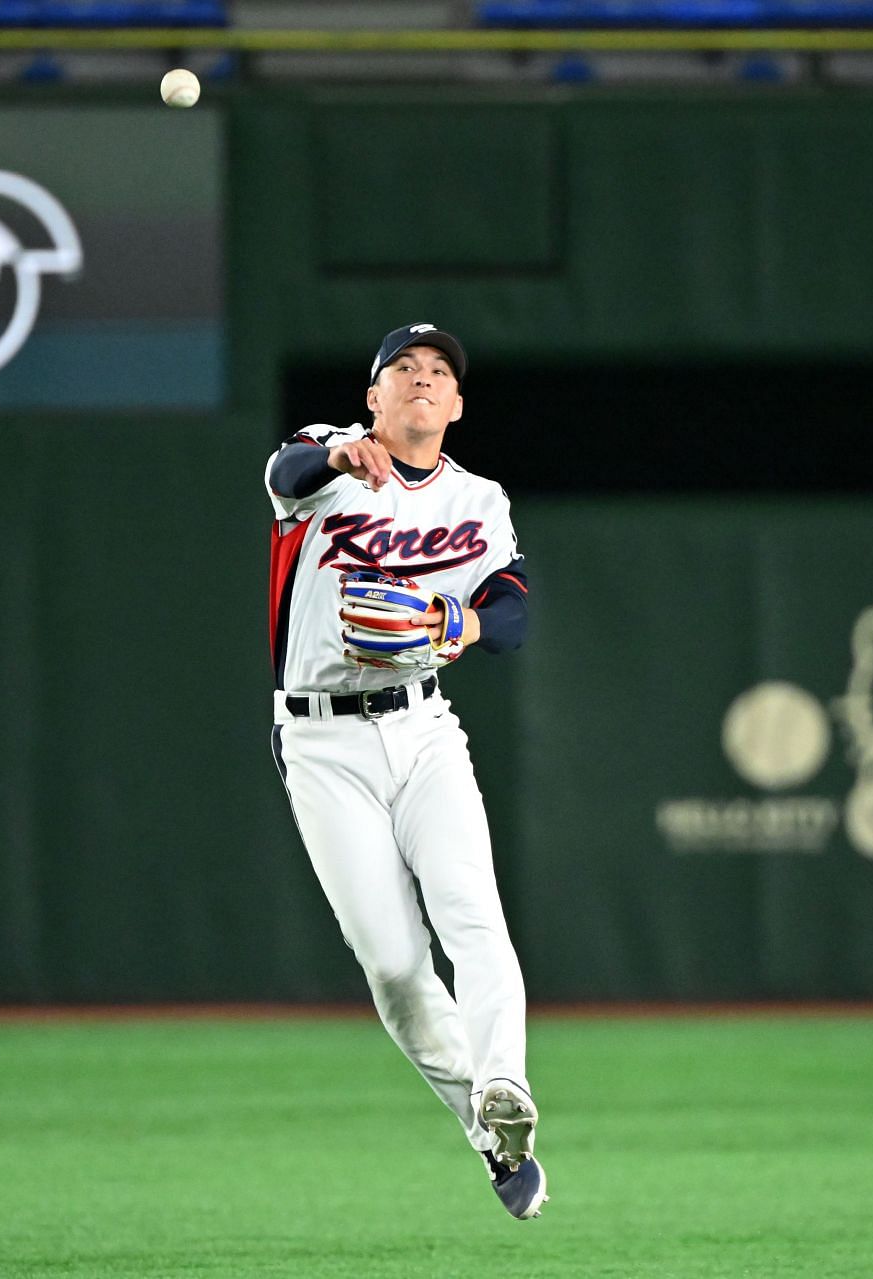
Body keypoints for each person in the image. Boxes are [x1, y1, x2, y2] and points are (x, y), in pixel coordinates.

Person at [262, 323, 546, 1220]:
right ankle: (487, 1130)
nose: (422, 380)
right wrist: (342, 455)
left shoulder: (479, 499)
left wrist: (460, 627)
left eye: (438, 373)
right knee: (393, 962)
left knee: (472, 911)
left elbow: (513, 609)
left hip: (423, 727)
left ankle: (506, 1081)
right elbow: (284, 478)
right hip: (320, 743)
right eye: (403, 371)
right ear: (375, 397)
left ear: (456, 405)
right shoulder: (322, 458)